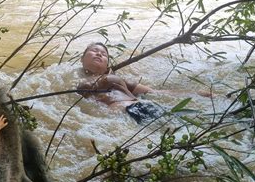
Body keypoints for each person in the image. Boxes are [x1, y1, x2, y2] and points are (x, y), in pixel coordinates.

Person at [77, 42, 211, 124]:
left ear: (107, 65)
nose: (99, 54)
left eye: (103, 54)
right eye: (95, 50)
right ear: (82, 59)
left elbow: (156, 93)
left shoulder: (117, 79)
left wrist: (196, 93)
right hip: (121, 115)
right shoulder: (70, 77)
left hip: (142, 107)